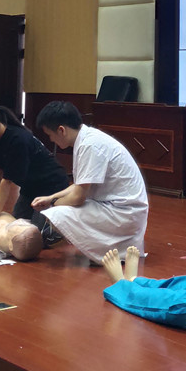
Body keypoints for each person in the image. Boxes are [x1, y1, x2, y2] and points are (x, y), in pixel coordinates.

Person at [30, 101, 148, 264]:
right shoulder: (87, 139)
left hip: (124, 213)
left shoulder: (90, 145)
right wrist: (51, 197)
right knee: (55, 210)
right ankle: (102, 249)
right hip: (120, 209)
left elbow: (78, 197)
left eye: (50, 135)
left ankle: (105, 250)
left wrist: (52, 204)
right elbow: (79, 185)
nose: (51, 140)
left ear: (61, 130)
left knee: (55, 215)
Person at [0, 101, 69, 222]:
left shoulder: (18, 139)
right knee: (17, 223)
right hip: (30, 188)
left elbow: (7, 181)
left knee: (38, 229)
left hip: (51, 186)